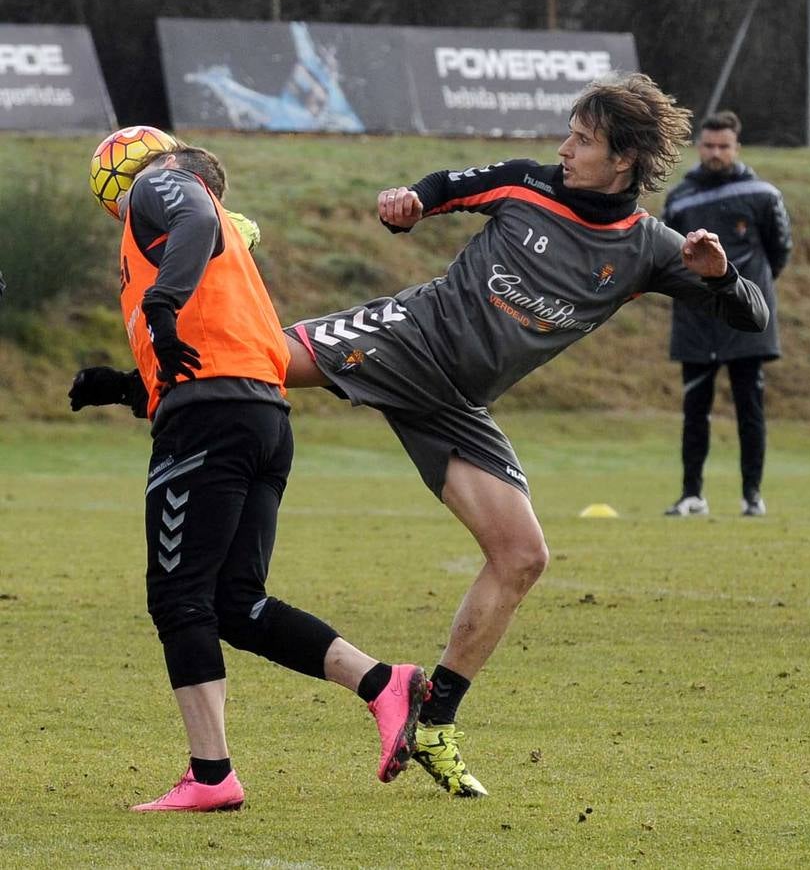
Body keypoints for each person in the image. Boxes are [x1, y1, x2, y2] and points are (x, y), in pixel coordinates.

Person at [77, 75, 769, 799]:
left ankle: (433, 716)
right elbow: (437, 190)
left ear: (622, 159)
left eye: (582, 139)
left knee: (522, 555)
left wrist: (719, 277)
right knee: (263, 360)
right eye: (568, 133)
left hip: (457, 404)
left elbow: (748, 314)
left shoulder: (650, 249)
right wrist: (406, 205)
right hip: (406, 338)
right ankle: (140, 383)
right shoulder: (525, 185)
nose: (564, 149)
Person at [69, 138, 429, 812]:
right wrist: (124, 387)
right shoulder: (214, 253)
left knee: (179, 599)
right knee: (235, 603)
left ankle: (211, 776)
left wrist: (159, 305)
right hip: (259, 420)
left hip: (211, 425)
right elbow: (204, 356)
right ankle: (384, 684)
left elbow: (195, 238)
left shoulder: (163, 184)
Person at [661, 110, 792, 518]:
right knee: (693, 412)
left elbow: (778, 253)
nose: (715, 153)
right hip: (695, 322)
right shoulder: (680, 197)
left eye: (724, 146)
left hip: (746, 323)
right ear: (699, 146)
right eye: (709, 145)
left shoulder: (762, 194)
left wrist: (745, 293)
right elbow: (669, 256)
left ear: (737, 147)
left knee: (749, 410)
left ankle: (752, 495)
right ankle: (691, 496)